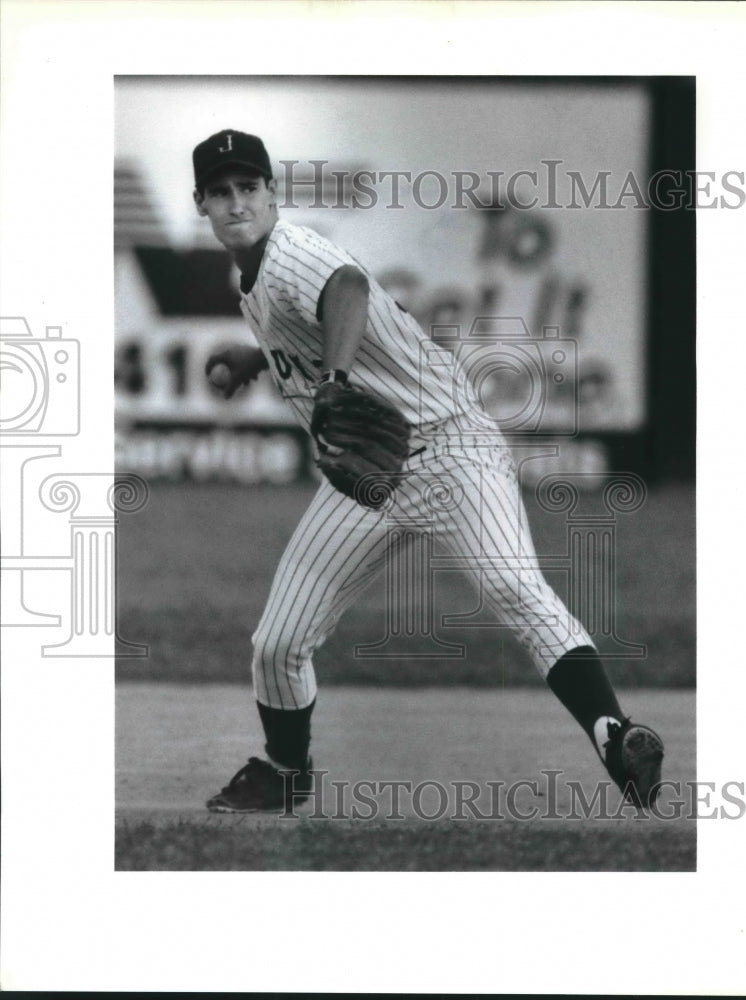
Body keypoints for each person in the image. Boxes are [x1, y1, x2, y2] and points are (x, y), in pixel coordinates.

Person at [192, 128, 664, 814]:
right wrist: (257, 357)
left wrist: (336, 379)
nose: (237, 203)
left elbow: (347, 289)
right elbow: (356, 312)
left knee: (514, 588)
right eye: (222, 192)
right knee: (278, 641)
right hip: (368, 477)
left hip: (451, 450)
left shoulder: (291, 250)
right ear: (201, 203)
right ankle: (285, 772)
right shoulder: (256, 273)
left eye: (249, 188)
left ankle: (613, 736)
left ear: (271, 194)